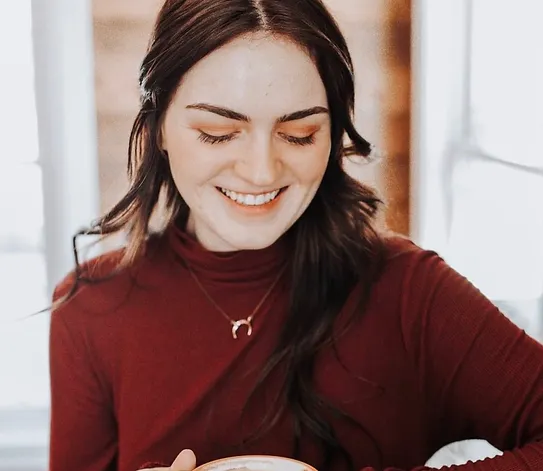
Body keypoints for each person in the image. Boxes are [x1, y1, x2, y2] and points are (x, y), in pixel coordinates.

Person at [48, 0, 543, 470]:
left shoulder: (409, 291)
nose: (262, 172)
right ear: (158, 129)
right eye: (218, 132)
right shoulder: (90, 311)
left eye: (299, 134)